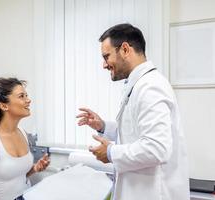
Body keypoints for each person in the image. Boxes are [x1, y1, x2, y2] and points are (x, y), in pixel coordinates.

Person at [76, 24, 190, 200]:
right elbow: (135, 132)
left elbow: (157, 148)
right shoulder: (139, 85)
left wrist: (110, 153)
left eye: (106, 56)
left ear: (125, 49)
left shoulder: (151, 87)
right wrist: (103, 126)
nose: (104, 65)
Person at [0, 77, 50, 200]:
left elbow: (18, 175)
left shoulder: (23, 133)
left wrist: (35, 168)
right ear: (4, 106)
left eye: (26, 95)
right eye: (21, 96)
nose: (28, 100)